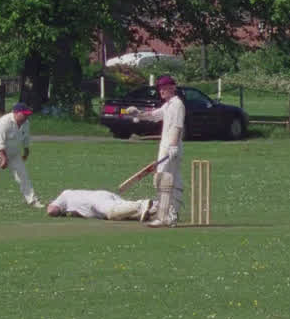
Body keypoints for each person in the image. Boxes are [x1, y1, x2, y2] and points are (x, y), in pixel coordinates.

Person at [128, 73, 188, 227]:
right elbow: (154, 116)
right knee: (165, 180)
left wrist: (173, 146)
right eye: (160, 88)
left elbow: (177, 126)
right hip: (165, 147)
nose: (161, 91)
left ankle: (168, 215)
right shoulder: (167, 105)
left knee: (166, 180)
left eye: (165, 88)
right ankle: (166, 215)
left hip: (171, 148)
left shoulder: (177, 105)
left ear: (172, 88)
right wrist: (138, 114)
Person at [0, 101, 40, 210]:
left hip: (14, 153)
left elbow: (26, 138)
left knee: (23, 175)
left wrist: (26, 151)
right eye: (24, 114)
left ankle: (33, 201)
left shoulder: (26, 123)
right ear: (16, 113)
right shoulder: (3, 122)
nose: (26, 116)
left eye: (27, 114)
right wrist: (4, 159)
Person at [45, 189, 156, 222]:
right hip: (103, 195)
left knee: (112, 213)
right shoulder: (71, 194)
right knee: (124, 215)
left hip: (94, 201)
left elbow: (51, 211)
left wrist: (56, 210)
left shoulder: (64, 195)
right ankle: (156, 207)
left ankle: (140, 204)